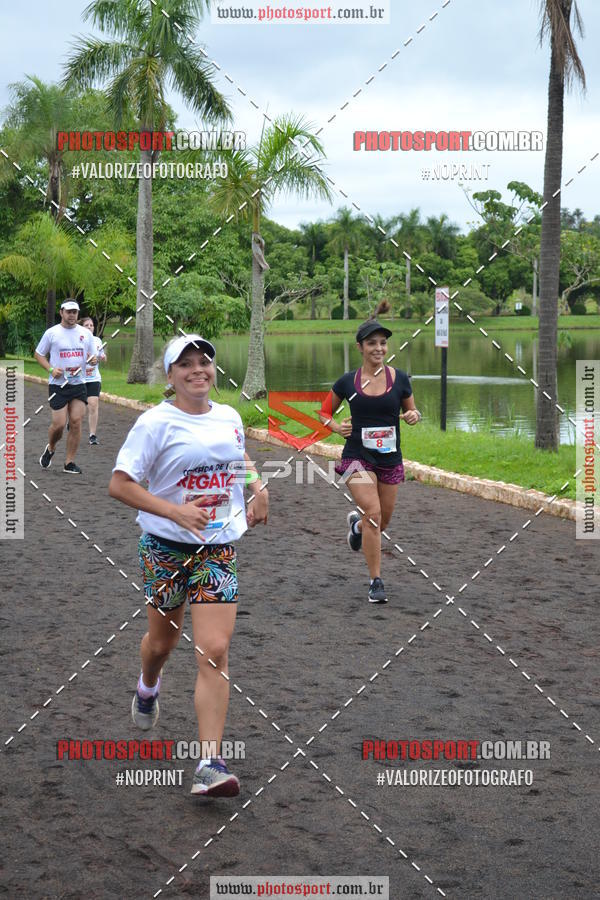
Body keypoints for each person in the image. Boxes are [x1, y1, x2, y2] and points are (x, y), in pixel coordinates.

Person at [108, 335, 268, 798]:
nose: (198, 370)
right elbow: (120, 485)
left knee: (214, 649)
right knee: (163, 642)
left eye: (205, 362)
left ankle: (209, 765)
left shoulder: (230, 416)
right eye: (186, 364)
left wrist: (258, 486)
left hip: (217, 547)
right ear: (170, 374)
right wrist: (174, 511)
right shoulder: (155, 423)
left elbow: (238, 458)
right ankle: (148, 684)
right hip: (165, 547)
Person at [319, 301, 421, 604]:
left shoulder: (400, 379)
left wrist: (414, 417)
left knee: (381, 521)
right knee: (374, 514)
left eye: (383, 343)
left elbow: (412, 412)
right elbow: (324, 413)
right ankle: (376, 581)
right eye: (372, 343)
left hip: (390, 458)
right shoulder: (347, 382)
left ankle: (357, 527)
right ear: (360, 347)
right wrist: (336, 427)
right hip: (356, 457)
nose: (378, 348)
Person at [34, 299, 97, 475]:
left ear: (77, 314)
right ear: (61, 312)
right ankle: (51, 448)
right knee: (59, 424)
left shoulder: (85, 333)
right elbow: (38, 354)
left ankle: (69, 462)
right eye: (68, 312)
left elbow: (94, 355)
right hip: (58, 385)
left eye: (74, 312)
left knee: (76, 421)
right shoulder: (52, 333)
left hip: (79, 384)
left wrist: (94, 359)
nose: (71, 315)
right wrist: (51, 369)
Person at [81, 316, 107, 445]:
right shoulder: (76, 340)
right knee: (79, 408)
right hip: (79, 379)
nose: (90, 327)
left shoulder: (97, 341)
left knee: (93, 404)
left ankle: (92, 435)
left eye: (91, 325)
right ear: (81, 327)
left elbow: (102, 355)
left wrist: (102, 357)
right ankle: (72, 421)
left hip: (94, 378)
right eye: (87, 325)